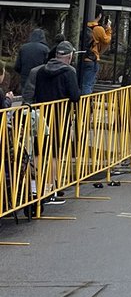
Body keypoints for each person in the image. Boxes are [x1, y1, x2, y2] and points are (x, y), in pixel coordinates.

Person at [32, 40, 81, 204]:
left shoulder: (41, 71)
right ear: (69, 56)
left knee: (40, 150)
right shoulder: (69, 72)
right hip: (60, 116)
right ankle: (51, 188)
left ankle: (39, 186)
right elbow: (75, 96)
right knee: (55, 152)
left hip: (41, 114)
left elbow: (36, 92)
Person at [80, 14, 113, 93]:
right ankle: (85, 103)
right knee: (88, 84)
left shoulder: (82, 26)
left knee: (82, 82)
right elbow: (106, 40)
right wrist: (108, 29)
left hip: (82, 56)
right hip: (92, 57)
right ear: (99, 15)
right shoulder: (98, 29)